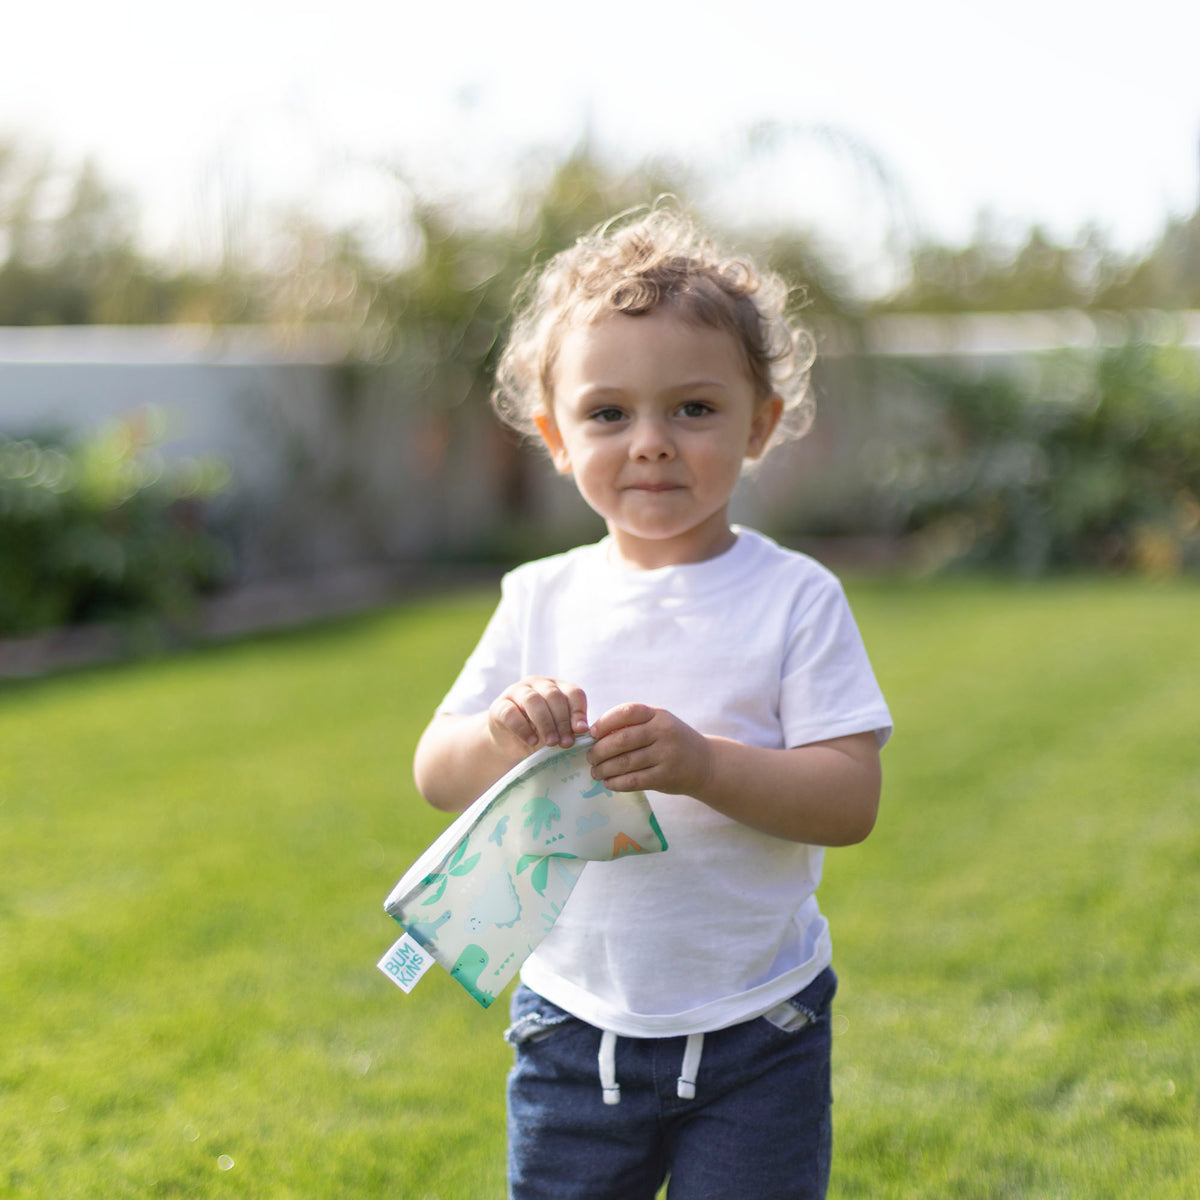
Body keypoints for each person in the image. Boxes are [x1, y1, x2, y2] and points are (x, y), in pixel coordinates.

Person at [412, 207, 893, 1200]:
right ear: (554, 435)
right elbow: (433, 774)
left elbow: (850, 800)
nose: (651, 445)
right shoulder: (539, 598)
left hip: (758, 1025)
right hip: (572, 1024)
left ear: (760, 424)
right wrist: (503, 735)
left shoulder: (795, 598)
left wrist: (708, 766)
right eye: (607, 414)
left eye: (694, 409)